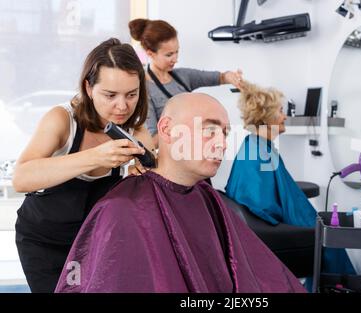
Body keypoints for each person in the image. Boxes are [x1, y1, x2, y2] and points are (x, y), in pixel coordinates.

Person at [55, 93, 306, 293]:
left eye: (225, 133)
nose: (222, 143)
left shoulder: (206, 198)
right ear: (166, 130)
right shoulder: (122, 209)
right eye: (209, 130)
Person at [12, 38, 155, 293]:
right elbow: (21, 177)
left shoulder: (133, 127)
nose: (122, 106)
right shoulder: (62, 119)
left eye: (131, 95)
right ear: (89, 88)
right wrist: (96, 157)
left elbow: (153, 167)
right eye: (110, 95)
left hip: (92, 241)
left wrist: (142, 171)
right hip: (44, 241)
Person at [225, 81, 355, 283]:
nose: (285, 116)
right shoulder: (259, 153)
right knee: (331, 239)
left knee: (330, 229)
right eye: (280, 111)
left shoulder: (256, 146)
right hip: (285, 230)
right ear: (267, 117)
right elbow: (260, 205)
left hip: (291, 221)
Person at [128, 18, 243, 145]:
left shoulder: (182, 76)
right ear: (151, 54)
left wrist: (230, 77)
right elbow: (152, 141)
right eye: (169, 54)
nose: (175, 59)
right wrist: (185, 129)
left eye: (177, 52)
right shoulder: (144, 89)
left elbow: (220, 77)